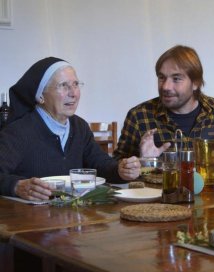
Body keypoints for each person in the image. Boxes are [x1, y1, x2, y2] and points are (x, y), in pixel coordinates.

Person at [0, 57, 141, 201]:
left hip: (74, 213)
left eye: (75, 84)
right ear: (40, 96)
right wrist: (17, 186)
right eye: (63, 85)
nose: (73, 93)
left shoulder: (79, 127)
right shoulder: (18, 131)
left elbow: (99, 163)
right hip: (30, 218)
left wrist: (120, 170)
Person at [114, 45, 214, 159]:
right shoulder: (139, 115)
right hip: (159, 202)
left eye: (176, 79)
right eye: (162, 78)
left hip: (209, 199)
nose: (166, 86)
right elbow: (116, 168)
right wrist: (143, 162)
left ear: (195, 83)